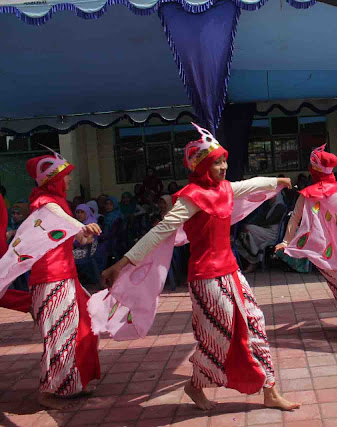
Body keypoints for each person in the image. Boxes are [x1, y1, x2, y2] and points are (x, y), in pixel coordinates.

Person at [101, 123, 299, 412]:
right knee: (219, 334)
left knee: (255, 322)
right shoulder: (190, 197)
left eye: (223, 160)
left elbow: (251, 184)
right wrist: (123, 263)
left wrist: (278, 180)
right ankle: (196, 384)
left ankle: (269, 391)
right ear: (202, 166)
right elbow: (161, 231)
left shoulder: (225, 188)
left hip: (231, 273)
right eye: (215, 162)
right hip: (206, 278)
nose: (223, 166)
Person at [7, 151, 102, 409]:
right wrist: (81, 226)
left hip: (65, 274)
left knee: (82, 329)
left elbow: (72, 234)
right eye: (65, 176)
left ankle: (71, 384)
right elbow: (59, 218)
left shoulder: (59, 201)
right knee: (59, 335)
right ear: (53, 179)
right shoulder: (44, 202)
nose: (69, 180)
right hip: (50, 277)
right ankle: (48, 392)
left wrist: (85, 235)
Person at [275, 145, 337, 333]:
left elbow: (295, 218)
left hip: (323, 247)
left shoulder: (307, 195)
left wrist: (286, 242)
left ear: (313, 170)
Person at [236, 192, 288, 273]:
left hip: (272, 234)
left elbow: (269, 222)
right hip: (266, 230)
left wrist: (256, 224)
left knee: (248, 228)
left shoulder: (280, 206)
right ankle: (253, 255)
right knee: (246, 233)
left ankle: (253, 258)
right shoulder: (271, 205)